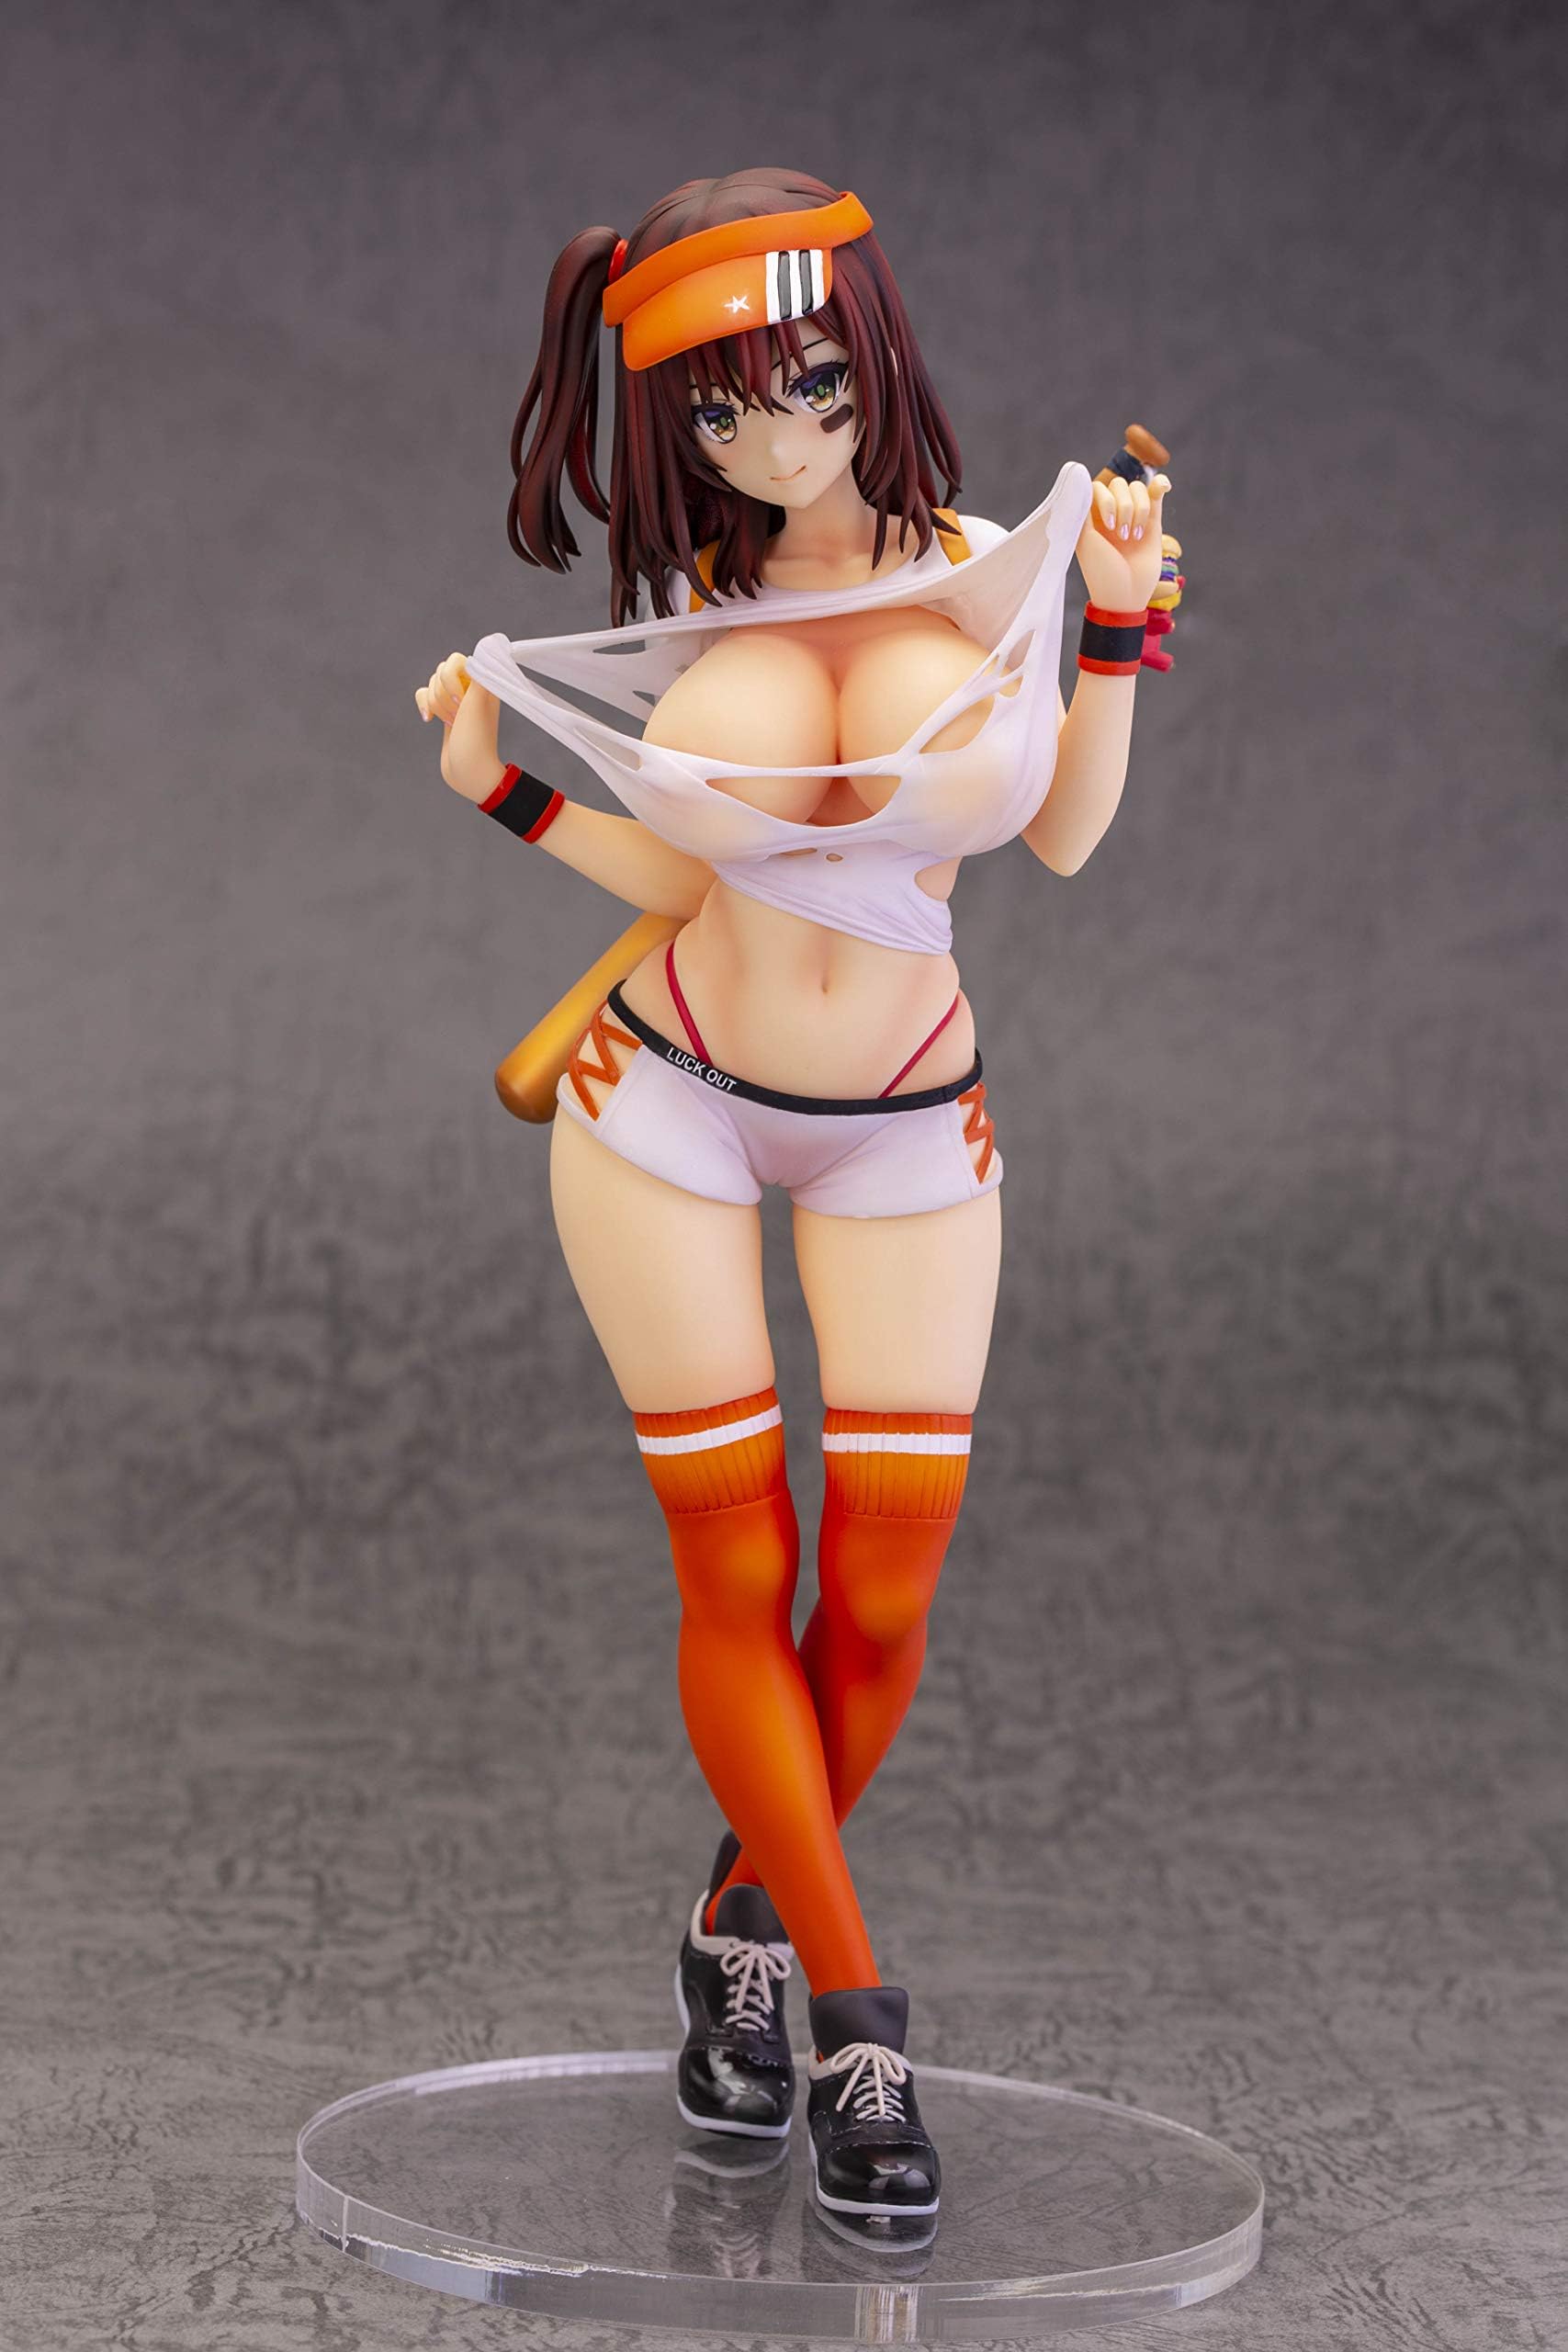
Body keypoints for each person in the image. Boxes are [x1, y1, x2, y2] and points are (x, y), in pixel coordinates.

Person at [415, 167, 1174, 2225]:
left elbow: (1066, 836)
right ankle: (850, 2017)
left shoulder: (986, 573)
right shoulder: (694, 599)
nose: (777, 438)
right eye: (723, 412)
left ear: (876, 356)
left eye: (812, 383)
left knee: (889, 1590)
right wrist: (506, 780)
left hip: (907, 1119)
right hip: (661, 1097)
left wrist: (1113, 621)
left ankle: (732, 1922)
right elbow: (688, 874)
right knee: (738, 1568)